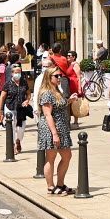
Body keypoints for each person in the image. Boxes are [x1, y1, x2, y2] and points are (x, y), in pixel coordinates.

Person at [37, 64, 74, 195]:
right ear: (49, 77)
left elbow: (59, 106)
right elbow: (47, 114)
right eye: (56, 76)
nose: (59, 78)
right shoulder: (46, 93)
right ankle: (50, 186)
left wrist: (69, 101)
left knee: (67, 155)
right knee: (51, 157)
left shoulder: (57, 90)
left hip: (61, 127)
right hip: (51, 128)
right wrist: (54, 134)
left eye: (60, 76)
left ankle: (60, 183)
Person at [0, 62, 30, 153]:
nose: (18, 74)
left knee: (21, 128)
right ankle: (12, 145)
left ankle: (18, 140)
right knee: (11, 127)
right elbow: (2, 97)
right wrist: (0, 110)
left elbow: (28, 93)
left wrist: (27, 100)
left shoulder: (24, 82)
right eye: (16, 72)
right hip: (10, 107)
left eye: (19, 72)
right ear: (12, 73)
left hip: (21, 109)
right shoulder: (7, 84)